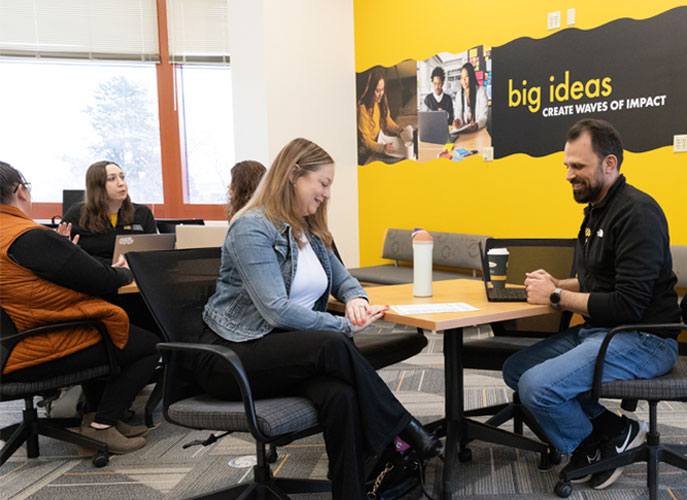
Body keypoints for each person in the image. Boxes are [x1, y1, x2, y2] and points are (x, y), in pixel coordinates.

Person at [193, 138, 442, 500]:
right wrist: (344, 325)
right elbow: (276, 309)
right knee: (333, 342)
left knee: (340, 396)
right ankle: (403, 430)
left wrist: (356, 299)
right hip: (231, 356)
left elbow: (343, 279)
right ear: (294, 175)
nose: (326, 194)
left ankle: (353, 492)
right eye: (322, 183)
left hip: (284, 354)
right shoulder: (252, 227)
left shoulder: (306, 229)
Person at [502, 119, 681, 490]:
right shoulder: (596, 210)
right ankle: (616, 430)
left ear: (610, 164)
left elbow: (628, 305)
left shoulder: (637, 214)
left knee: (537, 386)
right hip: (606, 329)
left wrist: (556, 296)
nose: (568, 175)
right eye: (567, 165)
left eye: (577, 166)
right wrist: (556, 284)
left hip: (646, 338)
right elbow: (595, 281)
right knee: (517, 370)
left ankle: (594, 445)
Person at [0, 161, 160, 455]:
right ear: (19, 191)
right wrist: (125, 272)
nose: (121, 183)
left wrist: (64, 252)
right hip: (33, 344)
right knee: (148, 345)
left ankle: (95, 416)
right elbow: (100, 280)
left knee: (112, 330)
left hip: (12, 342)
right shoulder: (27, 235)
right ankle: (102, 427)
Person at [63, 160, 157, 265]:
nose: (121, 183)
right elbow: (65, 255)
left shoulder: (142, 213)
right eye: (112, 179)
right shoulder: (77, 214)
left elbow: (154, 251)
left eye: (122, 177)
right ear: (97, 186)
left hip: (134, 274)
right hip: (94, 275)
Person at [357, 66, 404, 161]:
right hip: (368, 150)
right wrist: (382, 148)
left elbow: (387, 120)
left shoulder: (381, 100)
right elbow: (366, 141)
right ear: (370, 91)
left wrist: (399, 130)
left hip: (380, 139)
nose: (381, 94)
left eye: (382, 89)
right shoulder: (362, 109)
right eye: (378, 90)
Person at [452, 62, 489, 133]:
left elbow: (483, 116)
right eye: (462, 78)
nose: (464, 80)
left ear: (471, 77)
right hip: (465, 131)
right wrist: (458, 121)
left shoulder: (481, 92)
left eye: (466, 76)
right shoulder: (459, 94)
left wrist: (476, 125)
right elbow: (458, 114)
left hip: (479, 130)